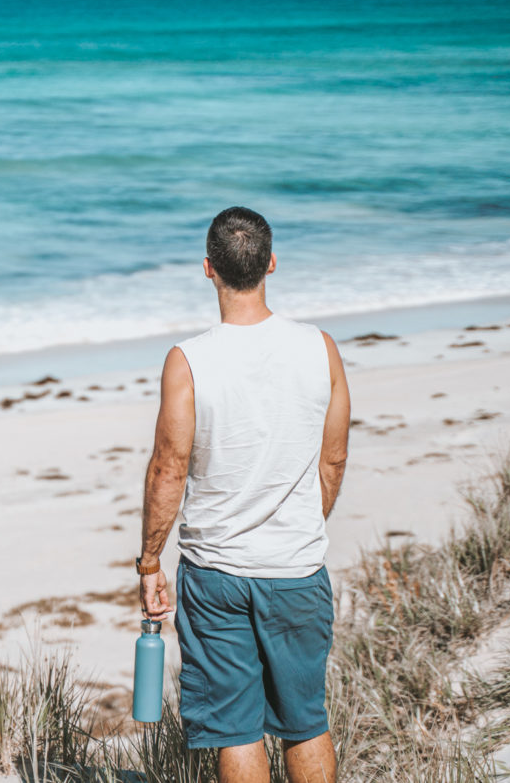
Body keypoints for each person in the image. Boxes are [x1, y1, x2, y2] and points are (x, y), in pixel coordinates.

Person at [135, 206, 349, 783]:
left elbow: (168, 471)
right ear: (271, 264)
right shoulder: (320, 348)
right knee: (306, 721)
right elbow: (334, 458)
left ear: (208, 269)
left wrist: (150, 561)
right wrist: (303, 521)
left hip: (217, 576)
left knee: (237, 730)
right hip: (298, 569)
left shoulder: (188, 362)